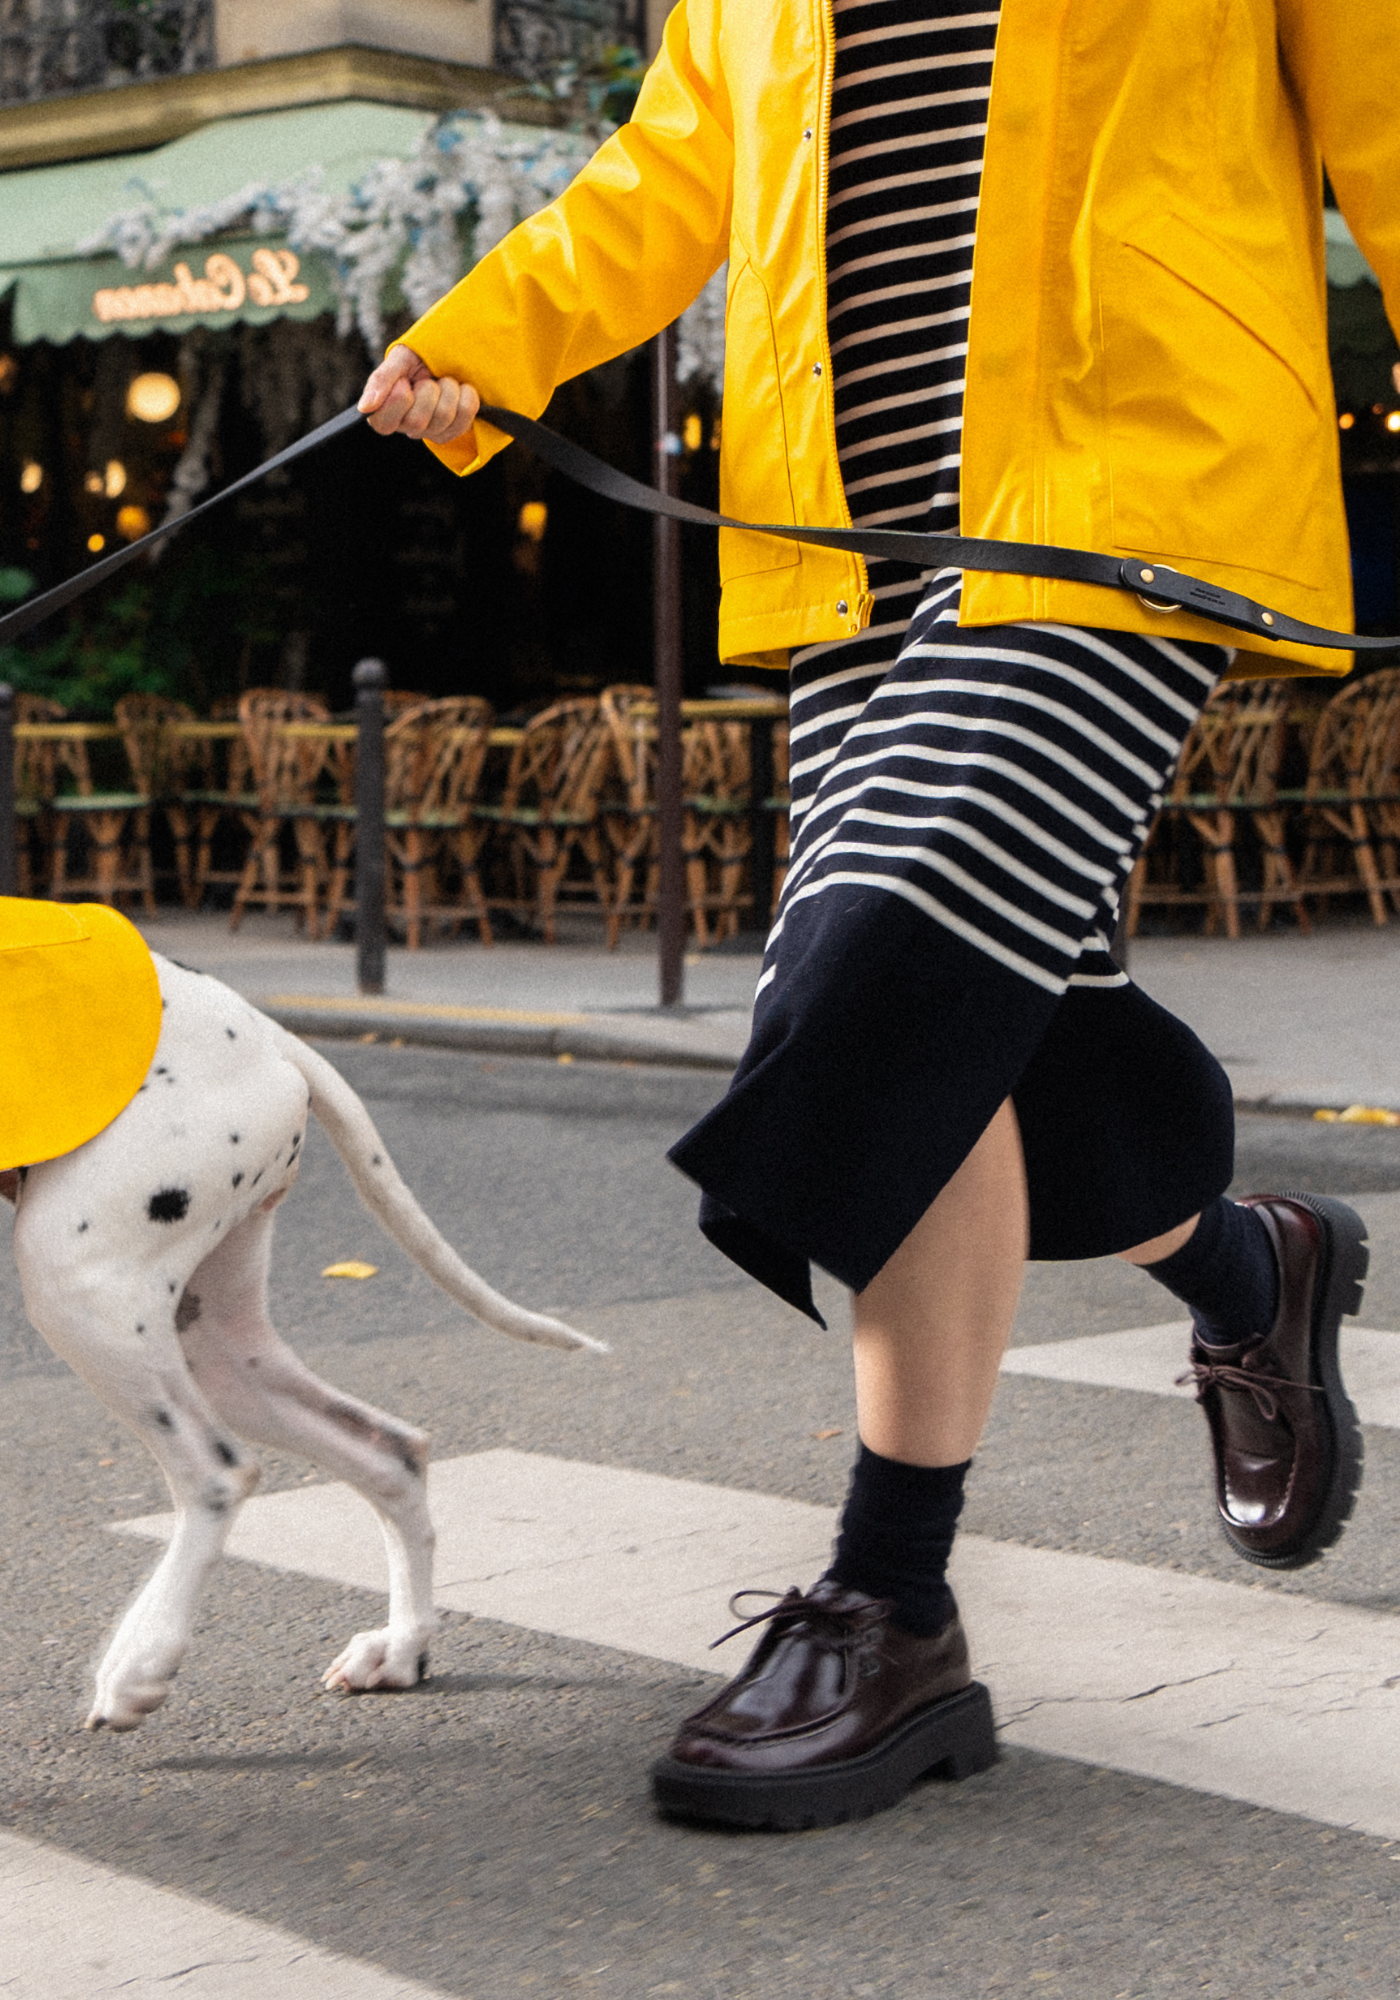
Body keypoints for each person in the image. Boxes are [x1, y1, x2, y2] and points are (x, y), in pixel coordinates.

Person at [359, 0, 1391, 1829]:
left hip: (1118, 509)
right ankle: (1251, 1270)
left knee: (889, 959)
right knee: (1015, 1027)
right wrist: (480, 344)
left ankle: (892, 1599)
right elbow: (676, 165)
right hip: (849, 549)